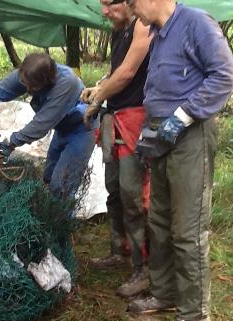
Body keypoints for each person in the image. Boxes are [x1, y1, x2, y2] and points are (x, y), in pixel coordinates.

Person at [126, 0, 233, 321]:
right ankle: (164, 292)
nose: (132, 11)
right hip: (161, 136)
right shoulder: (159, 34)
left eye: (132, 3)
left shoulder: (195, 23)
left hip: (190, 135)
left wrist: (186, 114)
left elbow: (226, 75)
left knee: (187, 226)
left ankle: (195, 315)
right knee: (159, 218)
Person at [84, 0, 152, 298]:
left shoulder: (143, 25)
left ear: (128, 2)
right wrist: (100, 86)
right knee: (113, 187)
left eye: (109, 3)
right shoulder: (118, 30)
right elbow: (116, 73)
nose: (104, 11)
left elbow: (127, 74)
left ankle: (145, 268)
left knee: (134, 195)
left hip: (137, 118)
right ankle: (119, 249)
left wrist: (100, 95)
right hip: (116, 117)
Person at [0, 53, 98, 198]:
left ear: (47, 81)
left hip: (82, 129)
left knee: (62, 185)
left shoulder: (66, 82)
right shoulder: (27, 73)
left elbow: (40, 126)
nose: (27, 87)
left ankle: (62, 219)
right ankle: (50, 210)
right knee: (48, 177)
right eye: (24, 83)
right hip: (61, 127)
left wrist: (10, 143)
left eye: (32, 86)